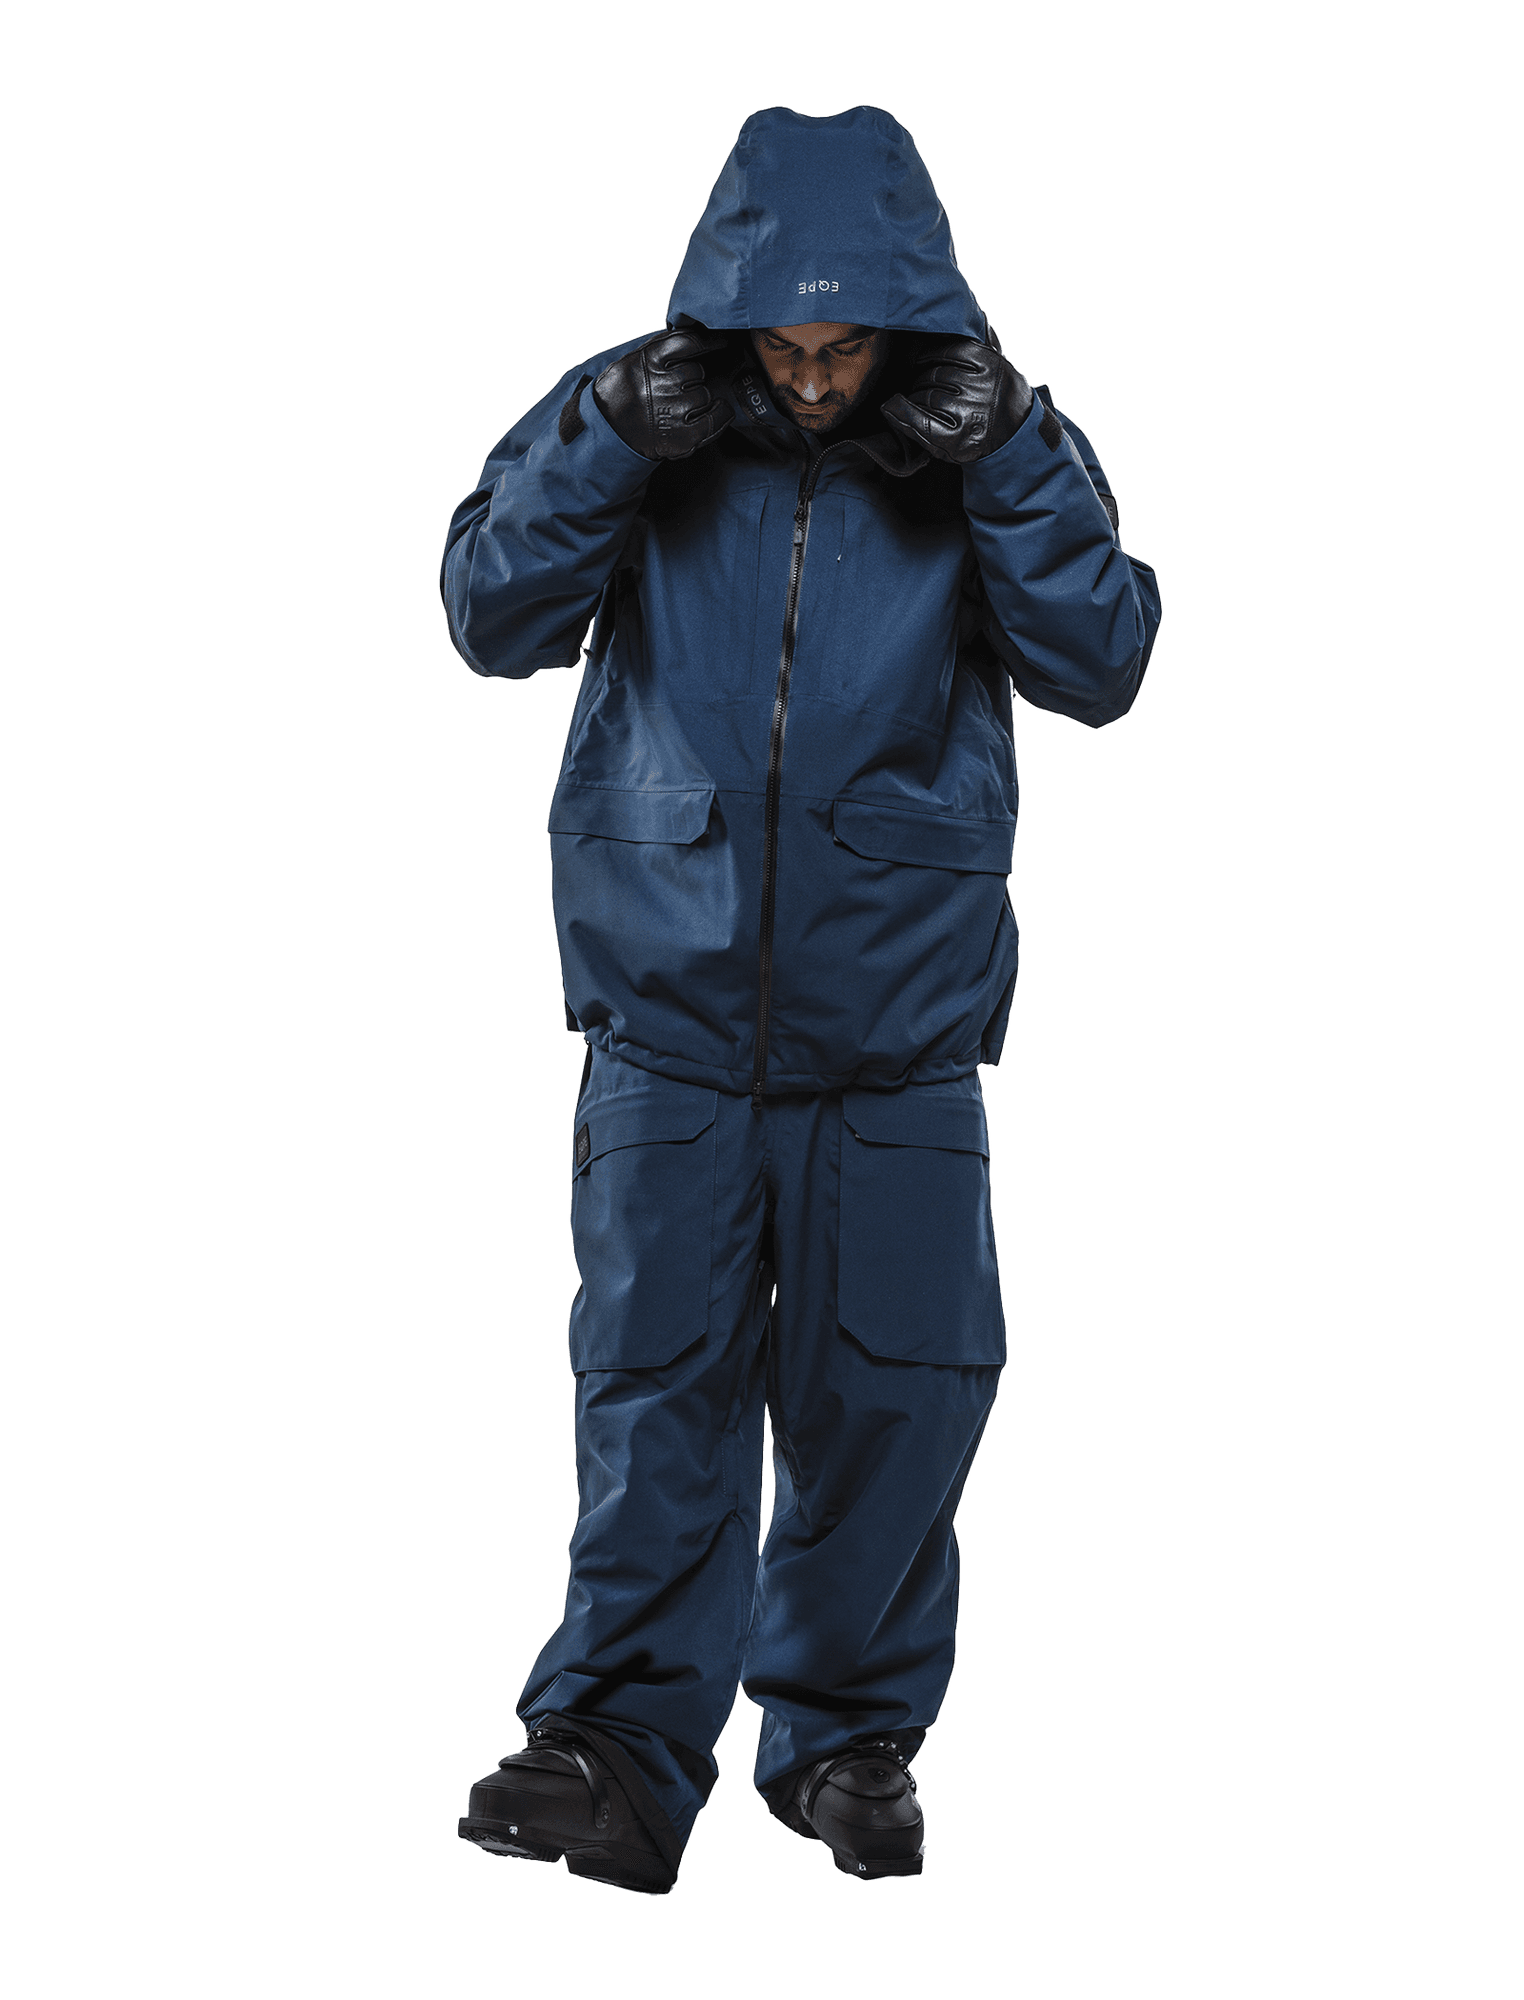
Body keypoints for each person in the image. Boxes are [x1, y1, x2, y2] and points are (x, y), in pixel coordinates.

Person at [440, 103, 1161, 1895]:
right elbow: (489, 614)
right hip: (668, 1020)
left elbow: (1103, 660)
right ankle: (613, 1751)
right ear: (727, 319)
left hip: (899, 1036)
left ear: (914, 324)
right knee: (655, 1390)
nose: (819, 381)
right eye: (786, 348)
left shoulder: (991, 445)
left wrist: (1014, 453)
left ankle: (844, 1738)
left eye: (850, 349)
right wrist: (611, 436)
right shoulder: (633, 422)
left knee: (899, 1398)